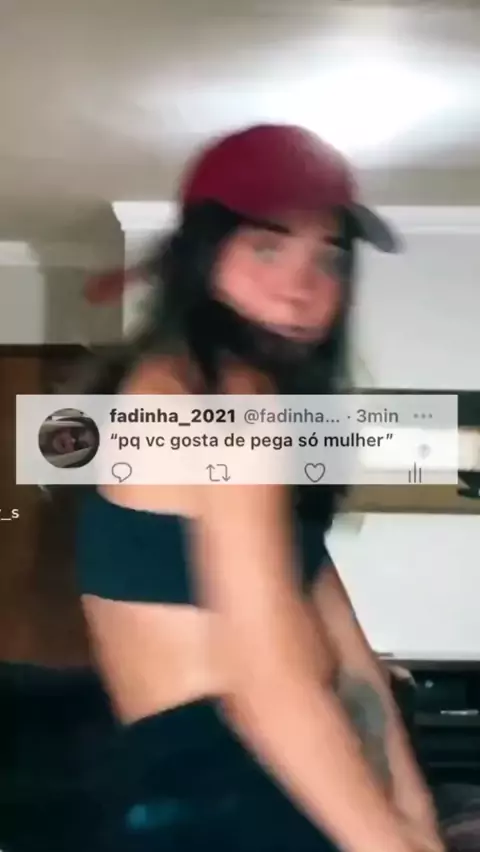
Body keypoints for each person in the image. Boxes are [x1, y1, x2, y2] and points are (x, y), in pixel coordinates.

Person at [74, 124, 445, 851]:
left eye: (329, 258)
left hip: (265, 788)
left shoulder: (245, 403)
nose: (303, 286)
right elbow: (266, 687)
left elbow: (351, 660)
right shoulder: (219, 399)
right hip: (232, 796)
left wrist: (417, 822)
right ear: (204, 253)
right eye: (268, 248)